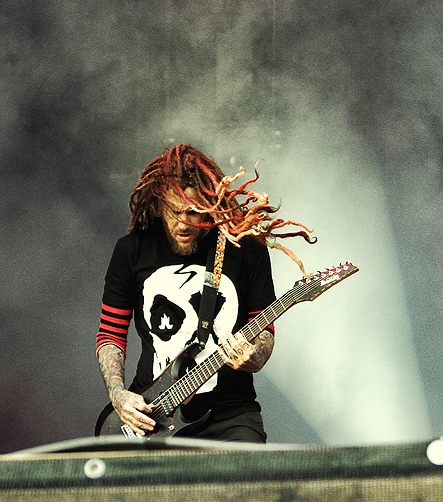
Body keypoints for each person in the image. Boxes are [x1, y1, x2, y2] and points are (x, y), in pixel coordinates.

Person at [96, 144, 314, 441]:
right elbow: (110, 334)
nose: (183, 223)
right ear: (159, 204)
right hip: (152, 414)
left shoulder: (245, 249)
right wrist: (119, 394)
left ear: (211, 205)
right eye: (174, 211)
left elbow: (264, 327)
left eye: (194, 212)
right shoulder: (131, 251)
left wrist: (255, 356)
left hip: (230, 414)